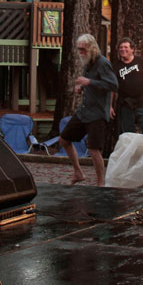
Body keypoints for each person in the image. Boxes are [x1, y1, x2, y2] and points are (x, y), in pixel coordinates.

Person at [60, 34, 118, 186]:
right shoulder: (88, 63)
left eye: (83, 50)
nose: (81, 53)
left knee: (93, 149)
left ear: (92, 48)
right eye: (79, 50)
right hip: (84, 111)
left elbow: (113, 85)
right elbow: (90, 84)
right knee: (64, 139)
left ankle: (101, 183)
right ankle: (78, 172)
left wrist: (89, 82)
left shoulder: (103, 63)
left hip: (97, 113)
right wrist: (81, 87)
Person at [111, 37, 143, 134]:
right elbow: (111, 87)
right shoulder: (116, 66)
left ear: (132, 49)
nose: (123, 49)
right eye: (121, 47)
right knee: (127, 136)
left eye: (125, 47)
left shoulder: (140, 61)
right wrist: (109, 106)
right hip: (126, 106)